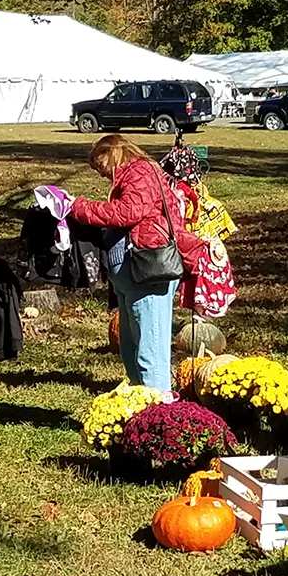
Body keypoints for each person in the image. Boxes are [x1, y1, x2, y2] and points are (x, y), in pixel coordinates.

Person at [69, 135, 203, 392]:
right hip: (135, 274)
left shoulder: (140, 171)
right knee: (133, 340)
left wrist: (79, 207)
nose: (101, 173)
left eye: (100, 165)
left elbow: (127, 212)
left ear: (113, 152)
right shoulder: (135, 173)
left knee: (150, 344)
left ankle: (157, 407)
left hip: (149, 270)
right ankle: (140, 399)